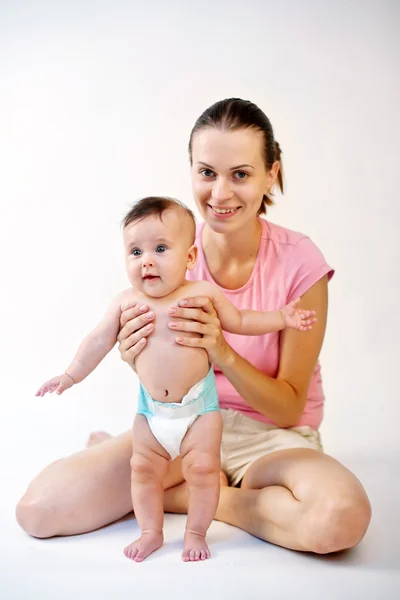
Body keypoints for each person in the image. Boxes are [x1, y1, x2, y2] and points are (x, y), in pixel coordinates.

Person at [16, 98, 371, 557]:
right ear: (191, 170)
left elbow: (287, 408)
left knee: (339, 519)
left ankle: (211, 498)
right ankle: (194, 485)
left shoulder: (301, 262)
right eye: (207, 172)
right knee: (39, 511)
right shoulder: (167, 247)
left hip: (268, 438)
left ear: (271, 174)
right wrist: (135, 354)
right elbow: (128, 340)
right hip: (175, 427)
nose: (220, 194)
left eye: (240, 174)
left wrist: (221, 351)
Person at [34, 195, 317, 562]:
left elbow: (243, 321)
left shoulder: (201, 293)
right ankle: (151, 532)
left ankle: (196, 533)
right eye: (135, 252)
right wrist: (71, 374)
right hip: (152, 414)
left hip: (199, 411)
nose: (146, 260)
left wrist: (282, 318)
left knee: (202, 471)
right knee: (143, 471)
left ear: (189, 258)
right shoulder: (124, 302)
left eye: (161, 248)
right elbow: (98, 341)